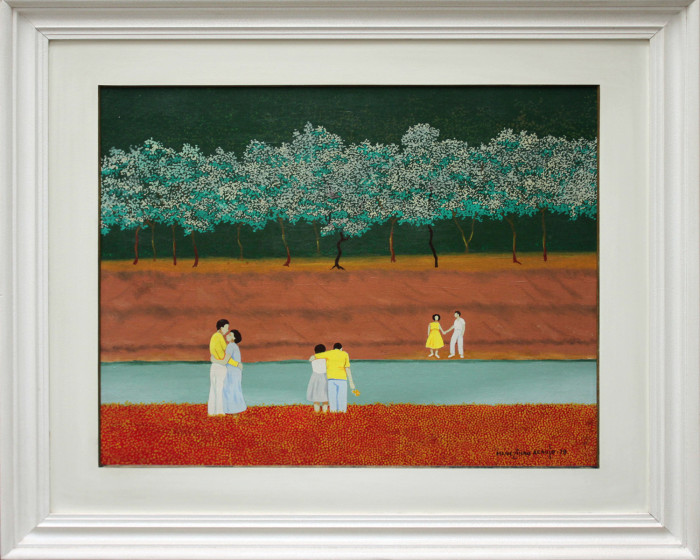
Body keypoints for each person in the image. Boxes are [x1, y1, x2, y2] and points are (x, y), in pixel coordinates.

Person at [310, 342, 356, 413]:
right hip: (342, 379)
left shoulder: (329, 353)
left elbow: (317, 356)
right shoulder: (345, 354)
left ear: (334, 348)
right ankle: (342, 411)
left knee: (332, 397)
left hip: (331, 379)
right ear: (341, 348)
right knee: (342, 397)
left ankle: (333, 411)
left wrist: (312, 358)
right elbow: (347, 368)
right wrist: (351, 382)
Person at [208, 318, 240, 416]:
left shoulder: (213, 337)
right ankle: (220, 412)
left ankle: (211, 412)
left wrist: (214, 359)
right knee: (220, 389)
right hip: (221, 366)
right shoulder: (220, 337)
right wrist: (236, 364)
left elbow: (214, 353)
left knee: (213, 389)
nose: (227, 330)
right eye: (226, 328)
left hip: (214, 366)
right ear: (221, 327)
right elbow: (225, 356)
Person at [212, 329, 246, 416]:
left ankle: (232, 412)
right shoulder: (234, 346)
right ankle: (234, 412)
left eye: (230, 335)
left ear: (233, 338)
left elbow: (225, 361)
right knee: (234, 390)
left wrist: (214, 360)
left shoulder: (230, 346)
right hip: (235, 371)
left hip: (231, 372)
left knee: (229, 391)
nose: (227, 335)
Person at [306, 343, 329, 414]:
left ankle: (317, 412)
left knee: (315, 395)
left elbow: (310, 360)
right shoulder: (326, 358)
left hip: (315, 377)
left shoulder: (313, 357)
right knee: (325, 395)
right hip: (324, 377)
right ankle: (324, 412)